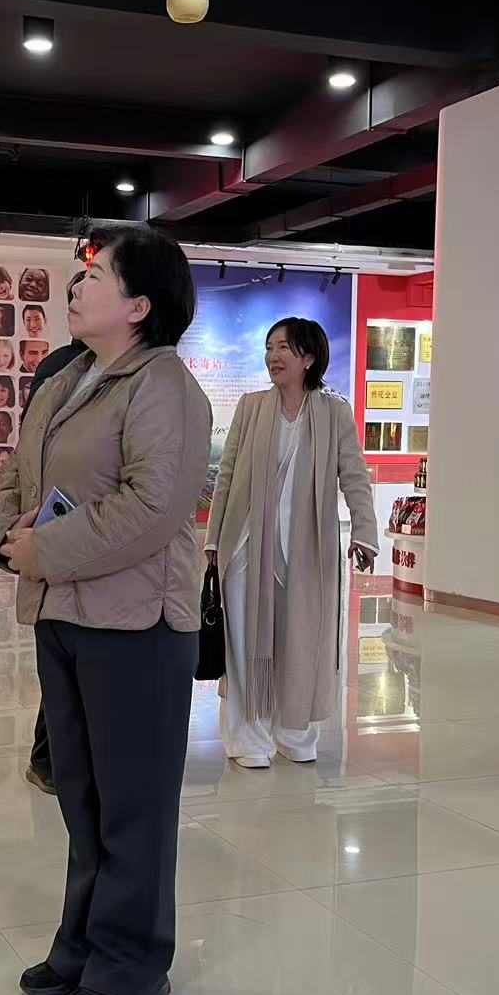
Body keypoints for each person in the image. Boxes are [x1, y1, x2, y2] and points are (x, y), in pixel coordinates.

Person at [0, 226, 210, 995]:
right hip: (64, 613)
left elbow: (153, 507)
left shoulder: (165, 388)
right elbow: (16, 478)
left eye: (97, 277)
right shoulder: (68, 379)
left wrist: (43, 550)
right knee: (82, 794)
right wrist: (6, 537)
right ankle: (83, 941)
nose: (76, 287)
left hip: (137, 624)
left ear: (139, 306)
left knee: (132, 804)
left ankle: (133, 960)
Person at [205, 318, 378, 767]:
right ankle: (247, 737)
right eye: (269, 347)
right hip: (245, 545)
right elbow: (227, 475)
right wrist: (214, 538)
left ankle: (293, 732)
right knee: (243, 644)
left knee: (301, 640)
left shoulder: (333, 412)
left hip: (307, 549)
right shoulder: (251, 407)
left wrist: (364, 531)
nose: (273, 356)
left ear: (309, 357)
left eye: (284, 347)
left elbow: (354, 475)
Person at [16, 273, 88, 796]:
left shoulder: (144, 372)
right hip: (60, 528)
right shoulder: (60, 368)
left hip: (100, 537)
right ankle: (48, 757)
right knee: (63, 653)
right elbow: (31, 449)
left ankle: (63, 757)